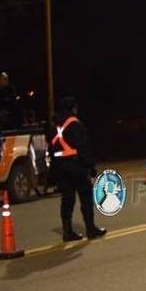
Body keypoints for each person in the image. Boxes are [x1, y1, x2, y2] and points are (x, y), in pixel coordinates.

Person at [48, 96, 106, 242]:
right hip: (76, 166)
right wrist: (91, 166)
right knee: (86, 198)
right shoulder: (75, 124)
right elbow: (83, 147)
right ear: (73, 108)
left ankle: (67, 232)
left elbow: (51, 149)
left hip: (60, 167)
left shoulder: (53, 127)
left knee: (67, 200)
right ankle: (91, 229)